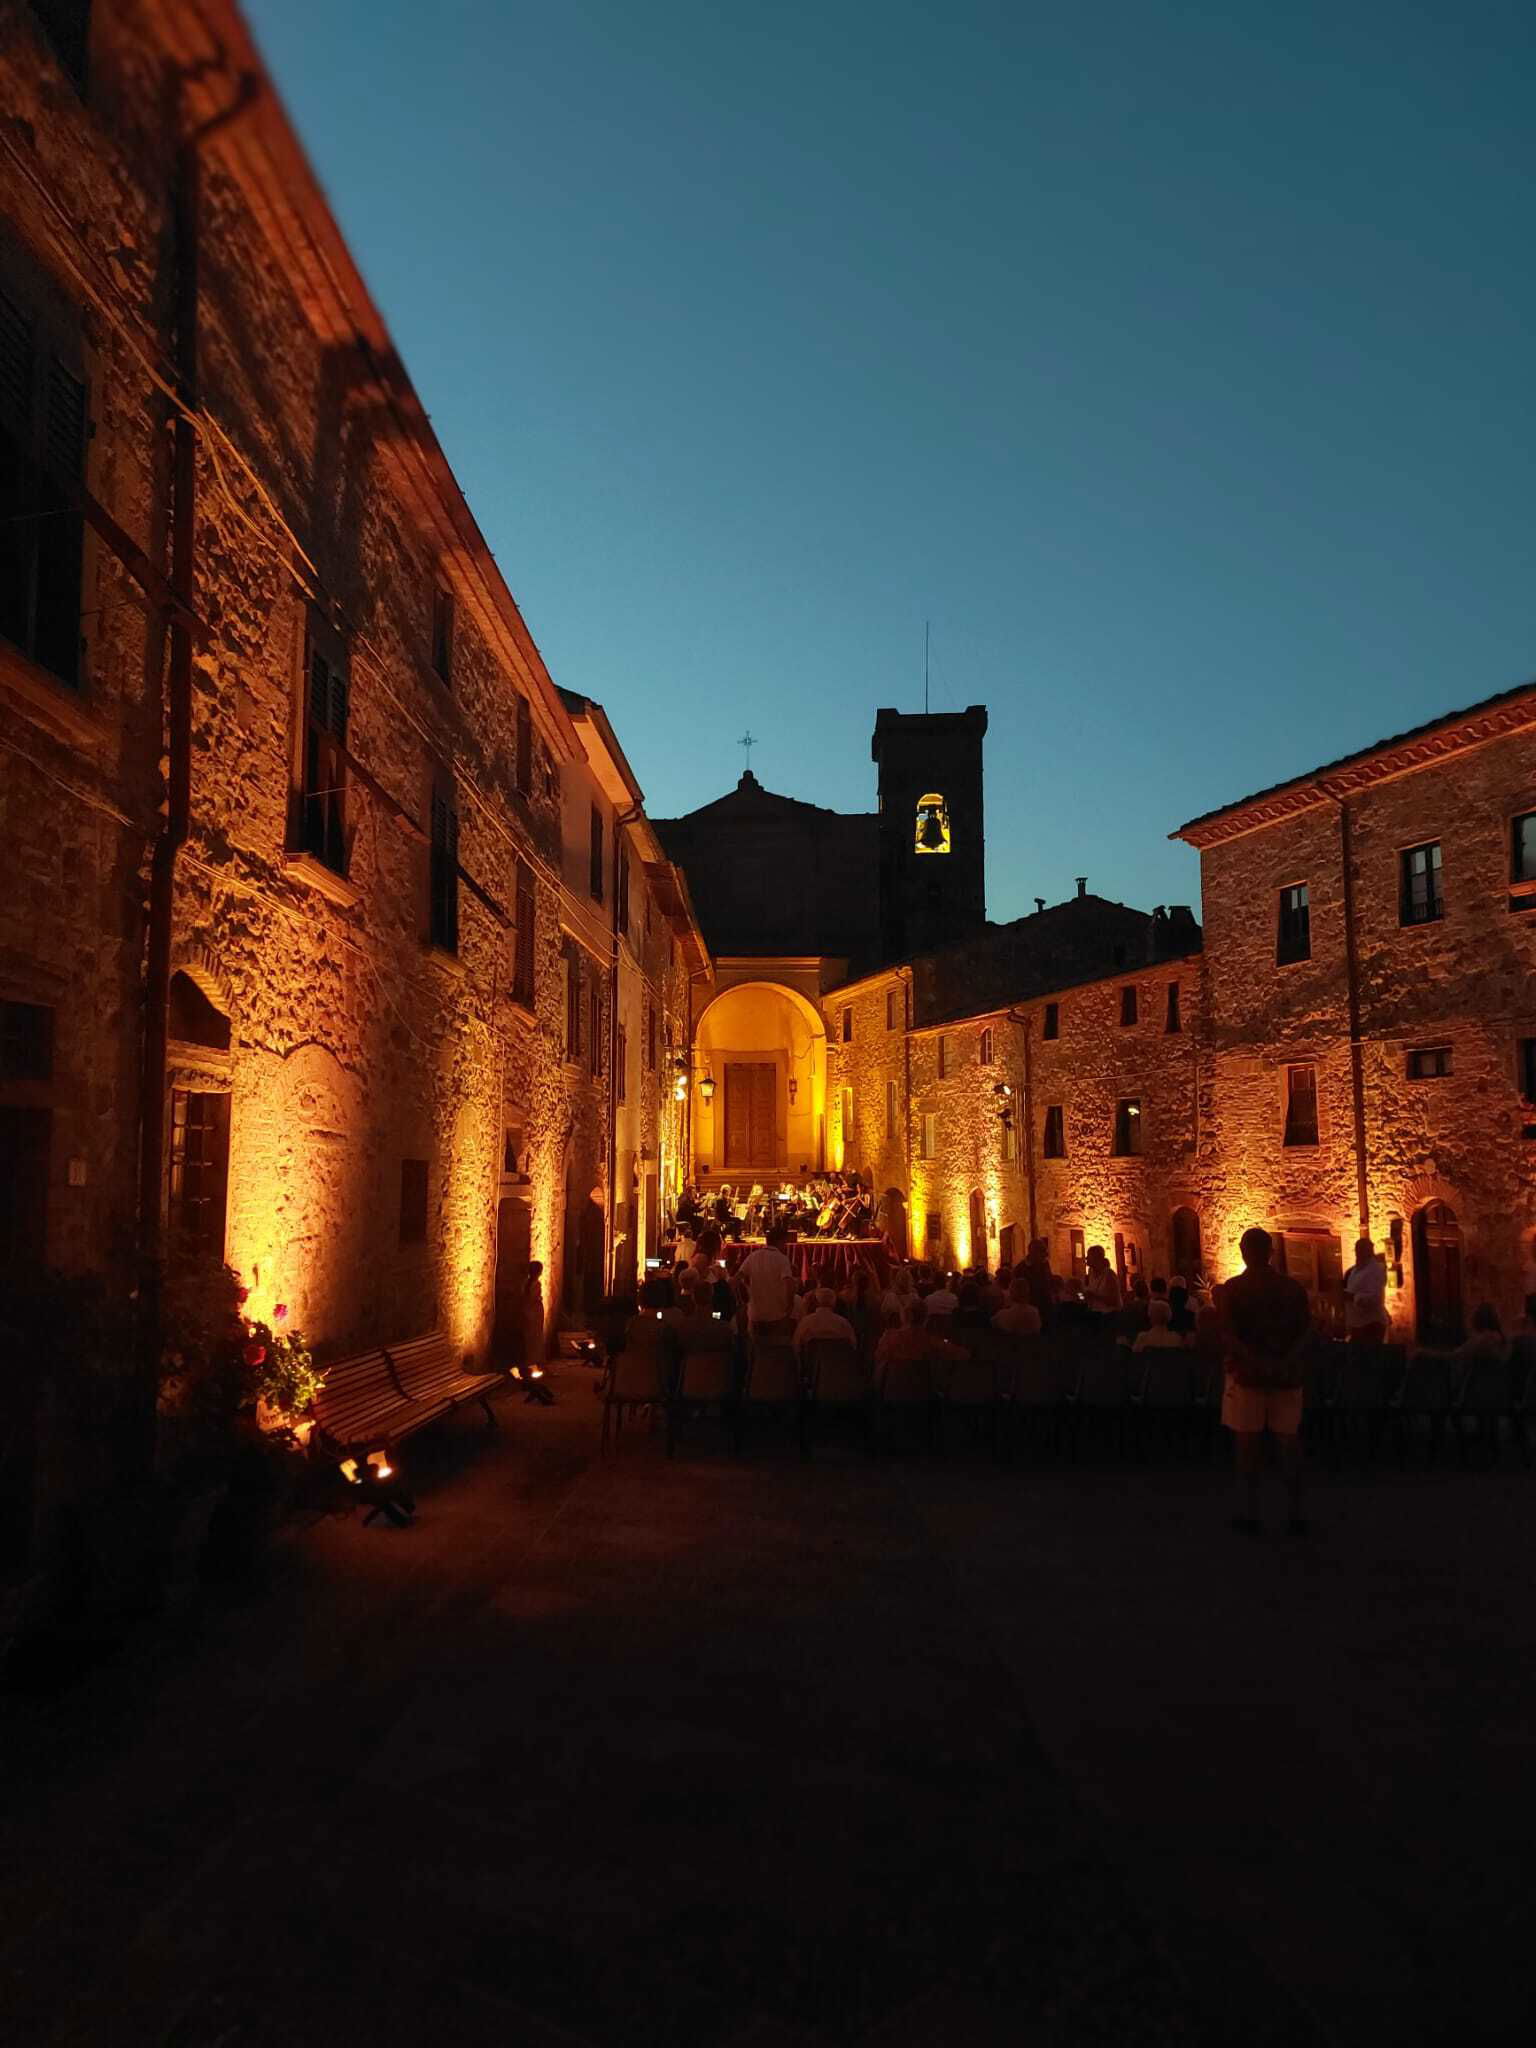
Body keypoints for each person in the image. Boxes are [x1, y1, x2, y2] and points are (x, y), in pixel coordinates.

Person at [1220, 1227, 1313, 1535]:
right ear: (1271, 1252)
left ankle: (1250, 1513)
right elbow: (1306, 1332)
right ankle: (1296, 1513)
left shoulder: (1232, 1290)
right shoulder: (1292, 1289)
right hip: (1286, 1377)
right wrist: (1285, 1361)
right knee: (1289, 1444)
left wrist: (1252, 1360)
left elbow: (1229, 1335)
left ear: (1244, 1252)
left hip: (1247, 1377)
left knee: (1247, 1447)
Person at [736, 1224, 797, 1335]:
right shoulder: (782, 1259)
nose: (786, 1246)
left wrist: (743, 1299)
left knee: (756, 1348)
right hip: (776, 1314)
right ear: (780, 1241)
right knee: (775, 1348)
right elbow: (789, 1284)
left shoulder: (752, 1256)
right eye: (785, 1243)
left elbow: (736, 1279)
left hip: (755, 1314)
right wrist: (789, 1305)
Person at [1343, 1236, 1389, 1346]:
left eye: (1360, 1251)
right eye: (1357, 1251)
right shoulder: (1355, 1270)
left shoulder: (1376, 1270)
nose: (1357, 1254)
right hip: (1357, 1325)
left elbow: (1375, 1299)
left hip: (1371, 1325)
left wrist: (1353, 1297)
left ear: (1368, 1252)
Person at [794, 1285, 857, 1353]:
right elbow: (853, 1345)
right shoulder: (843, 1323)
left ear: (817, 1302)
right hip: (838, 1362)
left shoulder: (806, 1322)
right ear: (834, 1303)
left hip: (811, 1362)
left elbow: (796, 1344)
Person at [1083, 1245, 1121, 1316]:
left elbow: (1113, 1301)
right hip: (1095, 1313)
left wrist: (1094, 1296)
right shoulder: (1090, 1272)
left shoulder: (1109, 1275)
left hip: (1109, 1315)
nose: (1086, 1258)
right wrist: (1080, 1295)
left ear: (1097, 1258)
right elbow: (1085, 1294)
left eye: (1089, 1255)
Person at [521, 1260, 545, 1369]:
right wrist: (539, 1298)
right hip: (534, 1314)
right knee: (534, 1340)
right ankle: (532, 1363)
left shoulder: (525, 1283)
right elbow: (533, 1298)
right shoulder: (535, 1284)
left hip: (528, 1313)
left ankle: (530, 1362)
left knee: (529, 1340)